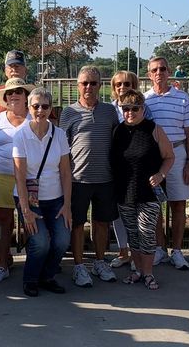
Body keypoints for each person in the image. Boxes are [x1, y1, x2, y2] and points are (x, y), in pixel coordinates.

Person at [60, 66, 119, 287]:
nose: (89, 87)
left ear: (100, 86)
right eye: (85, 83)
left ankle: (100, 261)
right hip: (78, 178)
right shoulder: (69, 112)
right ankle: (78, 266)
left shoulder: (109, 111)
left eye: (93, 83)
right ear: (78, 86)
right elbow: (62, 147)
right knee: (77, 224)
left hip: (105, 178)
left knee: (102, 223)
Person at [110, 89, 175, 290]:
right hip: (125, 191)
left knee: (146, 233)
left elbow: (169, 156)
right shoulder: (118, 131)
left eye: (134, 108)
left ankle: (148, 273)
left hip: (149, 192)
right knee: (132, 233)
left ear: (142, 109)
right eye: (126, 108)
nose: (130, 112)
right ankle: (137, 270)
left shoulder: (154, 129)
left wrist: (161, 175)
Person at [13, 87, 73, 298]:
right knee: (40, 242)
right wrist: (25, 209)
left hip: (55, 197)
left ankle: (47, 276)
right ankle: (30, 279)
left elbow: (66, 172)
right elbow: (19, 176)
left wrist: (67, 204)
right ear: (29, 108)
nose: (40, 110)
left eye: (45, 106)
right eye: (36, 106)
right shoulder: (21, 135)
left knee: (63, 239)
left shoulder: (59, 135)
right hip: (30, 198)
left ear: (51, 109)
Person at [144, 56, 189, 271]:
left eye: (162, 69)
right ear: (149, 74)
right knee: (155, 205)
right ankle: (159, 249)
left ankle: (177, 250)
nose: (159, 73)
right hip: (154, 157)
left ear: (169, 71)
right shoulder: (144, 100)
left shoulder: (183, 98)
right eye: (154, 70)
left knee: (178, 204)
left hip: (178, 152)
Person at [0, 77, 34, 283]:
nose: (14, 95)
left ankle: (34, 263)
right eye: (10, 93)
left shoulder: (36, 118)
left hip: (30, 178)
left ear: (26, 96)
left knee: (32, 221)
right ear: (5, 98)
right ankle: (3, 264)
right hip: (2, 176)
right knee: (3, 223)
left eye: (18, 92)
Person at [108, 70, 142, 269]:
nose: (123, 87)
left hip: (138, 167)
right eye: (118, 84)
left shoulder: (141, 108)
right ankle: (123, 252)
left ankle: (138, 253)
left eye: (127, 84)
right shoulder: (110, 110)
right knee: (119, 212)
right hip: (117, 168)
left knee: (138, 212)